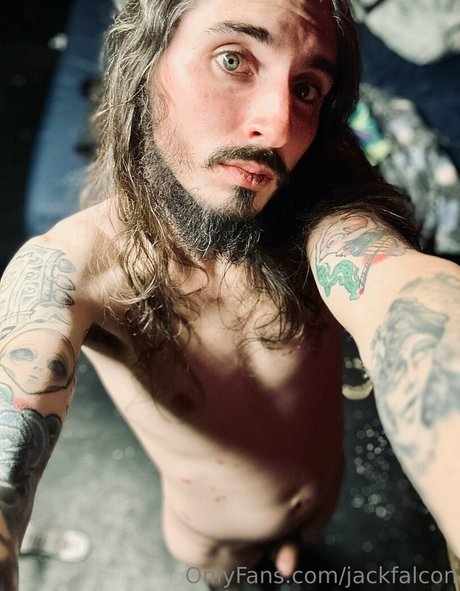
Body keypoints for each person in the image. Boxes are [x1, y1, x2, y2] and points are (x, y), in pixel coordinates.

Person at [0, 0, 459, 589]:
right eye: (233, 60)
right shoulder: (76, 268)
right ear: (145, 63)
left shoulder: (324, 210)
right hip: (213, 538)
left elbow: (408, 293)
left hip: (321, 498)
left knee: (302, 559)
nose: (279, 126)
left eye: (306, 89)